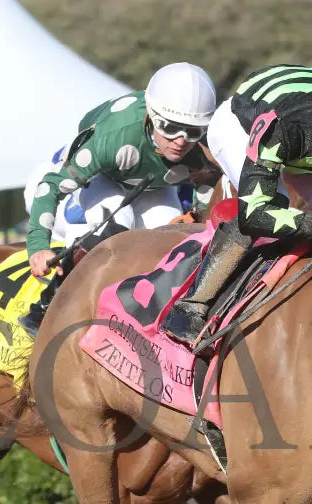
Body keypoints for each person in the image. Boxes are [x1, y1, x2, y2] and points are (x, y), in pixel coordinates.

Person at [162, 44, 312, 346]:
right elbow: (256, 214)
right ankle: (190, 307)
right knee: (273, 206)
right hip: (244, 124)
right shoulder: (285, 125)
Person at [19, 62, 220, 335]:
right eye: (170, 128)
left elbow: (208, 185)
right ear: (151, 115)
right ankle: (46, 306)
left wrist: (196, 212)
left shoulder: (204, 147)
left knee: (175, 241)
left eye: (192, 131)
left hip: (153, 185)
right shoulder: (116, 138)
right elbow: (51, 187)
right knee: (114, 229)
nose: (181, 141)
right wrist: (38, 247)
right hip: (104, 176)